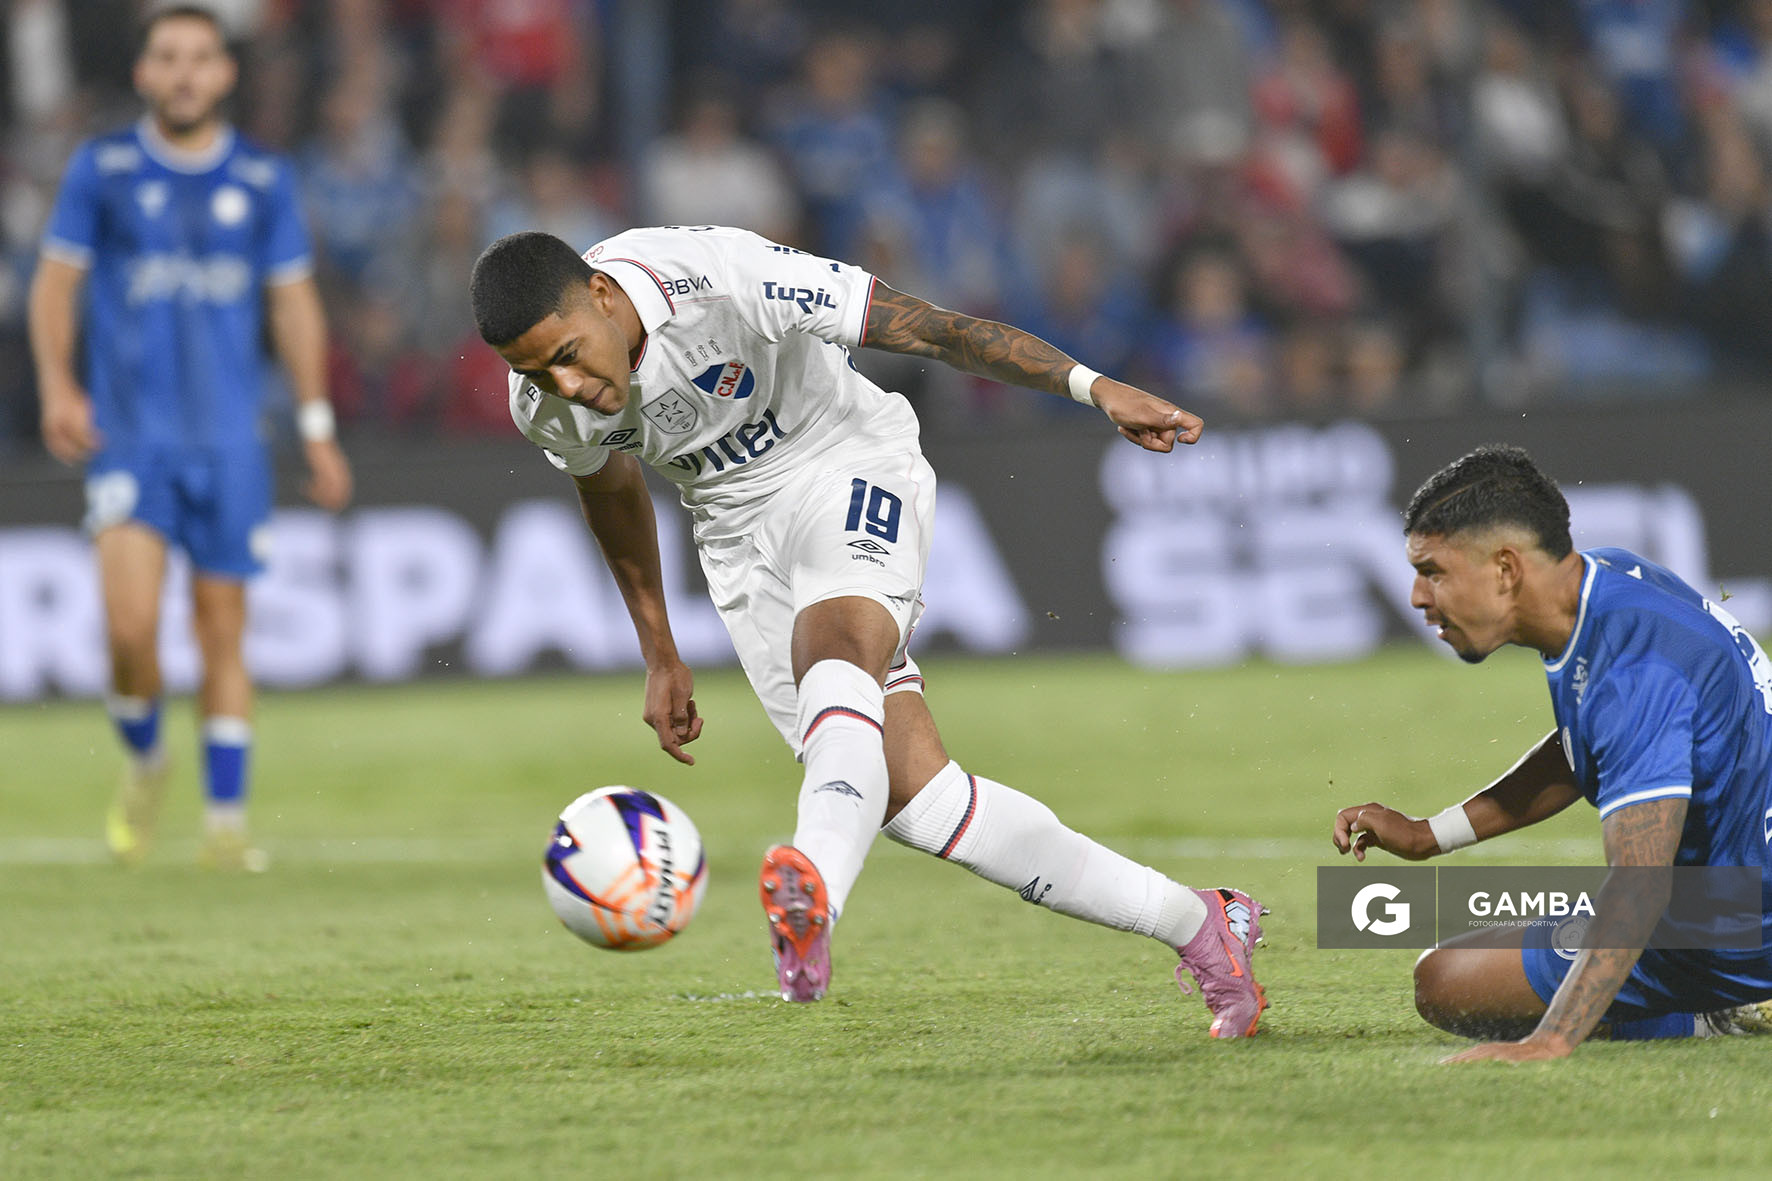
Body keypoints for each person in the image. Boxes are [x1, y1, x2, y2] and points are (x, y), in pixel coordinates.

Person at [469, 225, 1269, 1035]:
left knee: (836, 651)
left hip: (846, 461)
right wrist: (659, 650)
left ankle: (811, 890)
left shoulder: (720, 278)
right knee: (921, 803)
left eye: (568, 353)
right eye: (537, 370)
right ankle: (1202, 924)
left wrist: (1093, 387)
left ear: (603, 296)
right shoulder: (541, 402)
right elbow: (611, 492)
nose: (564, 382)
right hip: (736, 541)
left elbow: (933, 328)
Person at [28, 6, 352, 870]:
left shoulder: (264, 176)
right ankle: (144, 758)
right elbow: (55, 289)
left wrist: (316, 427)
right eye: (167, 58)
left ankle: (224, 825)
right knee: (130, 630)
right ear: (143, 73)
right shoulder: (102, 168)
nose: (183, 73)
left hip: (232, 442)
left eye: (199, 58)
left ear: (224, 74)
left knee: (222, 631)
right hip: (130, 437)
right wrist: (58, 385)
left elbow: (293, 304)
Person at [1331, 445, 1772, 1060]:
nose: (1416, 597)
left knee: (1446, 981)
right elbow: (1586, 747)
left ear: (1506, 569)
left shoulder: (1632, 674)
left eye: (1433, 571)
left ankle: (1716, 1006)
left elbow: (1640, 886)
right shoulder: (1611, 582)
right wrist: (1430, 835)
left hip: (1732, 924)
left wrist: (1551, 1040)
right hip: (1737, 889)